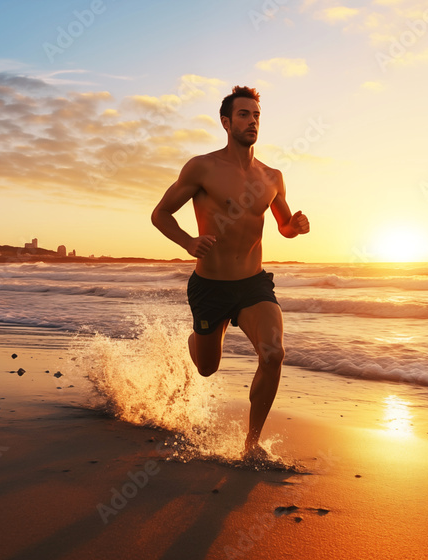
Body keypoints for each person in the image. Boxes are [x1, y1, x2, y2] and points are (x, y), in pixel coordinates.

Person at [151, 85, 310, 460]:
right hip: (210, 286)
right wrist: (189, 243)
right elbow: (160, 213)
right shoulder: (201, 167)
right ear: (226, 122)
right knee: (207, 368)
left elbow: (283, 226)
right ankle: (199, 338)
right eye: (243, 114)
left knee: (273, 355)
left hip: (253, 285)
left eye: (256, 115)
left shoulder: (272, 176)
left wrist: (296, 226)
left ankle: (251, 445)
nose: (252, 121)